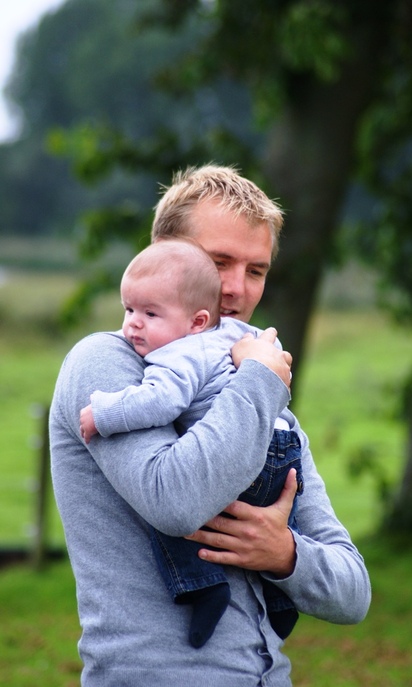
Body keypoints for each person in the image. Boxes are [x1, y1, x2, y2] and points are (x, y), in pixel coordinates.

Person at [50, 164, 371, 687]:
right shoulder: (107, 365)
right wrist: (261, 383)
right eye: (219, 261)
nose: (237, 290)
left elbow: (354, 593)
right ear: (164, 252)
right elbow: (175, 502)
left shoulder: (257, 393)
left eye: (257, 270)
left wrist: (286, 554)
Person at [79, 237, 304, 648]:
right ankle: (281, 598)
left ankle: (202, 586)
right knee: (278, 513)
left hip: (247, 447)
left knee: (175, 510)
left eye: (149, 312)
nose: (132, 324)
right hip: (284, 447)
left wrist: (105, 413)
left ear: (197, 320)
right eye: (129, 310)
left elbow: (160, 401)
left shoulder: (178, 352)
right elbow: (272, 369)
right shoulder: (238, 334)